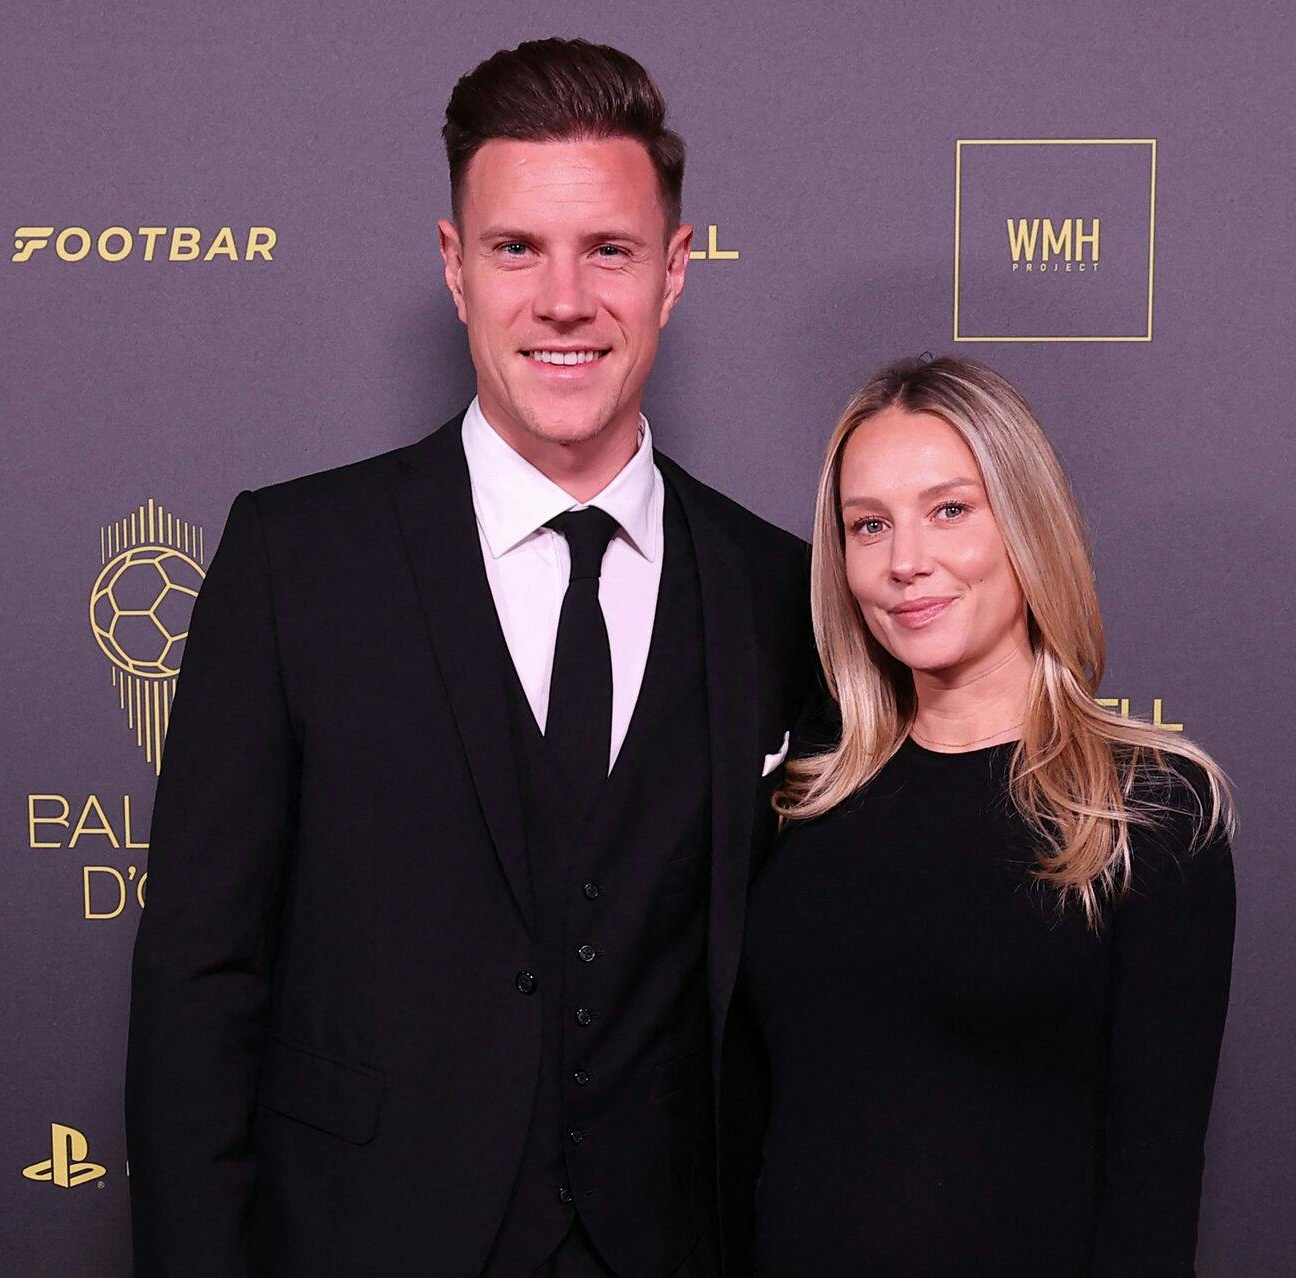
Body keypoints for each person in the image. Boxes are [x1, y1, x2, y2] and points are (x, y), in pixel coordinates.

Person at [124, 38, 813, 1278]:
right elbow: (197, 981)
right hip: (365, 1240)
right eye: (516, 250)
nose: (563, 299)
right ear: (455, 268)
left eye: (608, 248)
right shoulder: (296, 561)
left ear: (674, 272)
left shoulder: (779, 586)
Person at [733, 355, 1237, 1276]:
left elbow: (1154, 1183)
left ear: (1027, 524)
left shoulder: (1147, 808)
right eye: (869, 525)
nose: (905, 561)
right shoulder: (797, 803)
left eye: (950, 510)